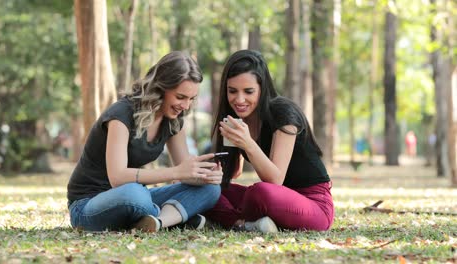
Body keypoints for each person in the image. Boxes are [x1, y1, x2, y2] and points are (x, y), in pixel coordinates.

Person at [67, 51, 222, 232]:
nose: (186, 106)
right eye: (180, 97)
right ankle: (175, 217)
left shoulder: (173, 120)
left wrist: (204, 176)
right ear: (160, 88)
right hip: (89, 205)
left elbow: (183, 172)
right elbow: (117, 177)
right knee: (136, 193)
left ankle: (160, 222)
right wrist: (176, 172)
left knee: (211, 190)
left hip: (135, 198)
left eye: (191, 99)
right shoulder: (121, 114)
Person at [205, 50, 334, 233]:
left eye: (248, 91)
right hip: (275, 200)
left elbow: (275, 180)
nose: (239, 100)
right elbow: (232, 173)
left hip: (312, 203)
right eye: (232, 91)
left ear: (262, 89)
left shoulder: (283, 113)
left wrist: (247, 143)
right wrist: (211, 173)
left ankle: (236, 221)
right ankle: (247, 224)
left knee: (260, 192)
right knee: (209, 191)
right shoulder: (235, 119)